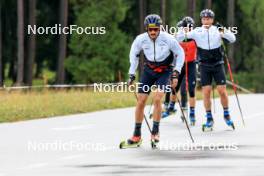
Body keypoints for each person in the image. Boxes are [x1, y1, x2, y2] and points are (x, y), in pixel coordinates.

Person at [121, 14, 184, 148]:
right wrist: (131, 74)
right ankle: (136, 135)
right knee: (141, 100)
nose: (153, 32)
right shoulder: (140, 39)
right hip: (149, 71)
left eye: (156, 29)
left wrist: (176, 72)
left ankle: (155, 132)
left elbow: (180, 53)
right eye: (150, 29)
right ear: (146, 29)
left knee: (157, 98)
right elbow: (134, 55)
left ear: (160, 28)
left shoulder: (168, 39)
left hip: (165, 71)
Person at [178, 9, 236, 131]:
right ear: (201, 20)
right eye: (204, 19)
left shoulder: (217, 30)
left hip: (217, 64)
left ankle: (226, 114)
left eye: (208, 19)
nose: (206, 21)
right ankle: (209, 118)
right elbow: (179, 38)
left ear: (212, 20)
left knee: (222, 91)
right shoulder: (197, 32)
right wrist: (182, 31)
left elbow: (232, 39)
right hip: (204, 65)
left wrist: (223, 31)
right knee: (206, 92)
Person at [162, 16, 197, 126]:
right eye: (185, 27)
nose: (187, 28)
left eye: (189, 27)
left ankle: (192, 113)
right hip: (180, 65)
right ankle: (171, 107)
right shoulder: (178, 36)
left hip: (191, 64)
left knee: (191, 90)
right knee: (173, 86)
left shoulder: (196, 36)